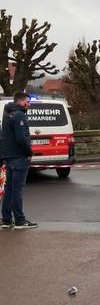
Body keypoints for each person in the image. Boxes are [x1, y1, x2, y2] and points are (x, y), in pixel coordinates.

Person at [1, 92, 37, 229]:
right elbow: (21, 138)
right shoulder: (20, 115)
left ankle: (6, 219)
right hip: (19, 157)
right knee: (17, 189)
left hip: (9, 157)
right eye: (27, 101)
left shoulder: (7, 114)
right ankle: (20, 220)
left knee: (9, 188)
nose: (29, 104)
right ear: (21, 101)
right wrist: (29, 152)